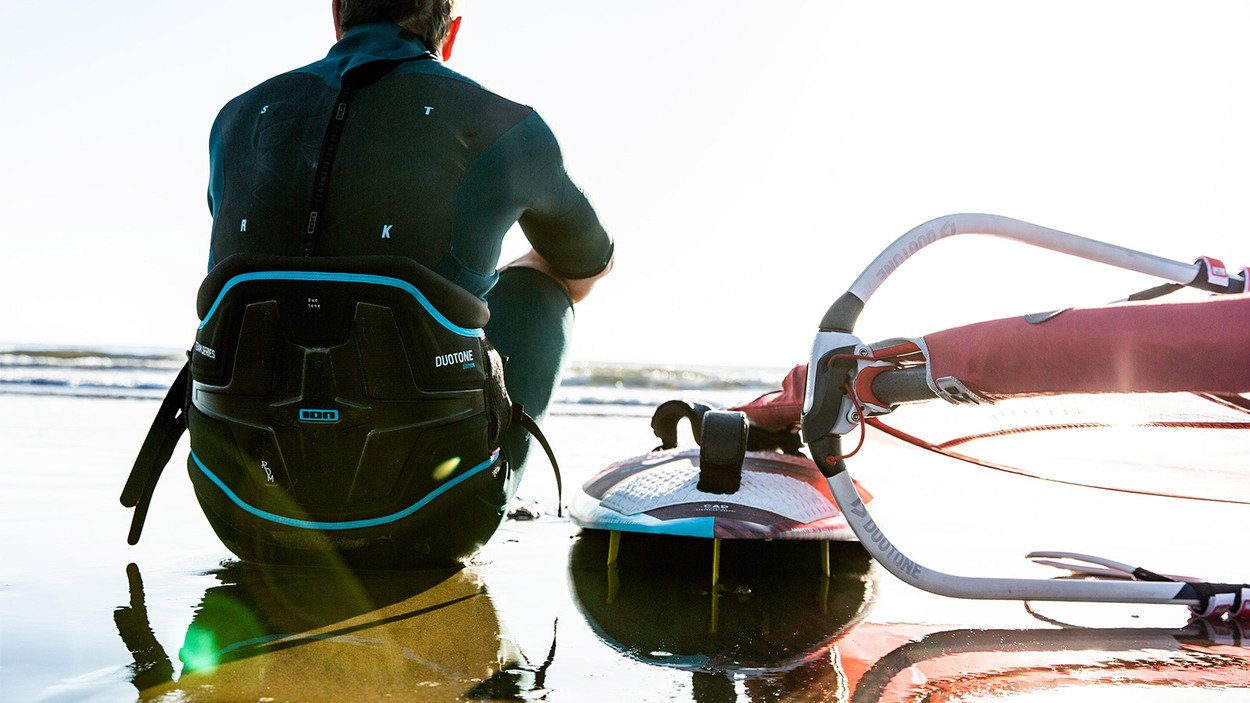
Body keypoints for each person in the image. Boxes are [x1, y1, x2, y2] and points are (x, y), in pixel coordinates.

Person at [195, 0, 613, 561]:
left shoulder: (236, 118)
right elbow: (588, 263)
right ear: (450, 33)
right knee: (543, 284)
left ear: (338, 13)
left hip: (241, 510)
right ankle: (475, 463)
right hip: (437, 519)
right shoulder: (506, 123)